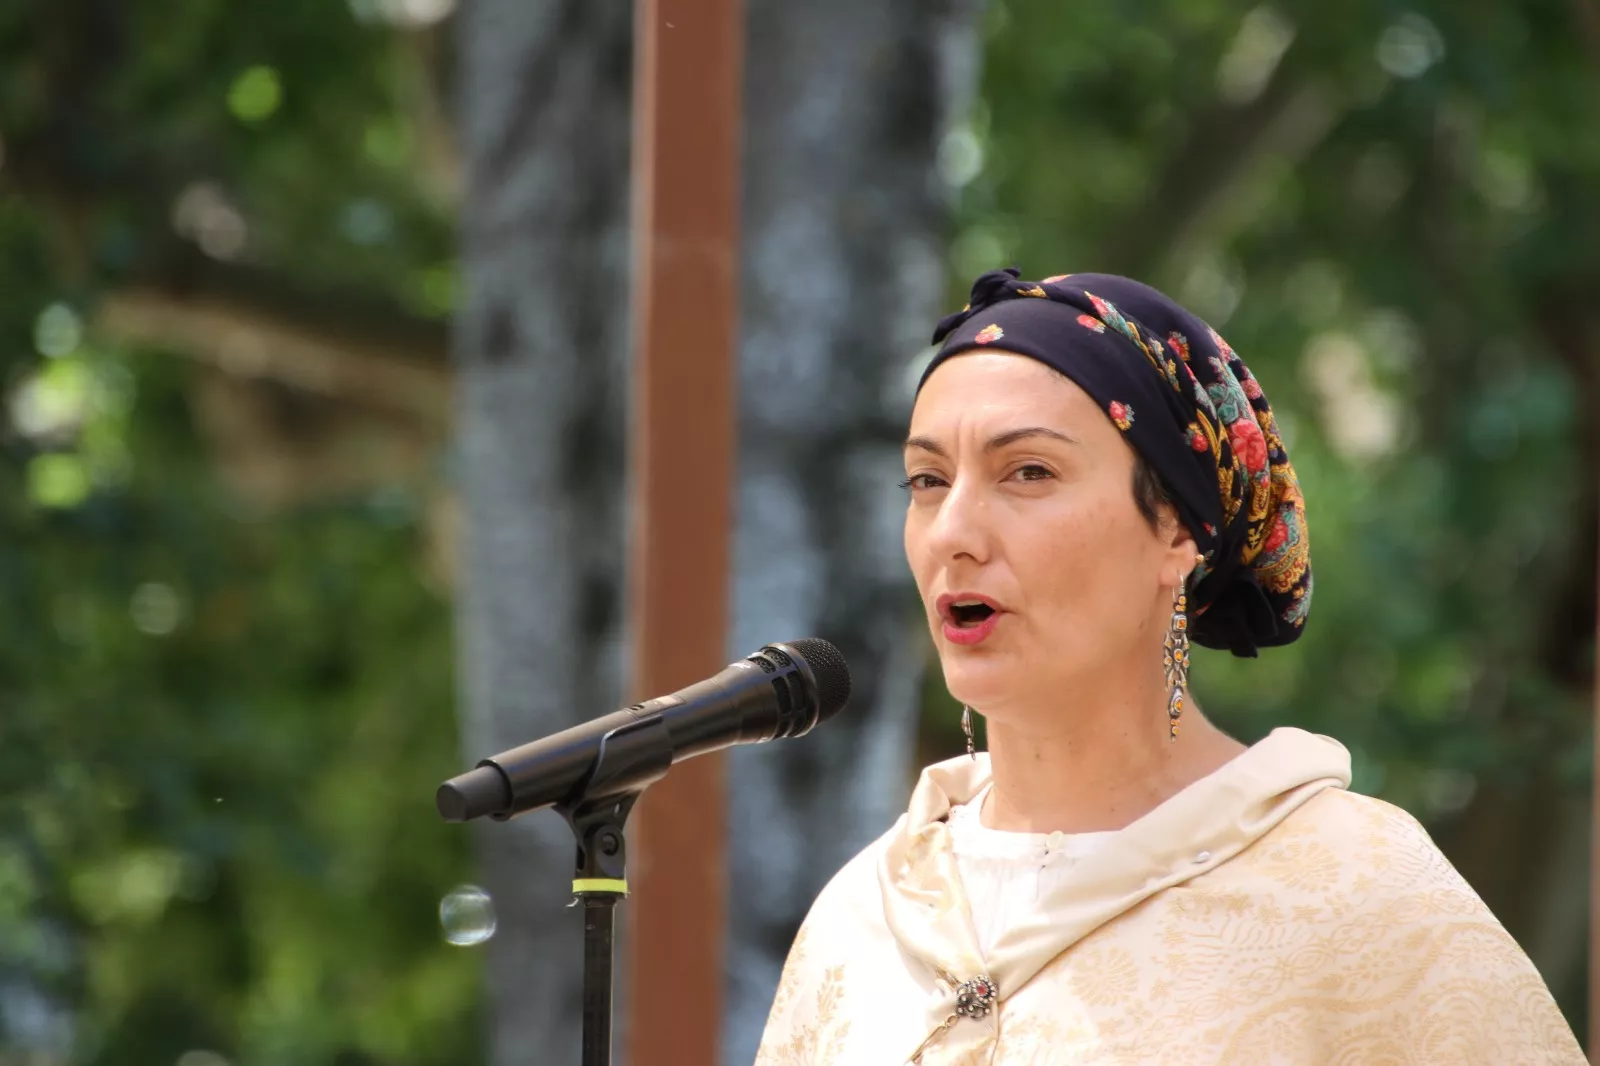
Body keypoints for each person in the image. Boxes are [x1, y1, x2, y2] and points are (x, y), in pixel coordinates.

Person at [753, 268, 1585, 1065]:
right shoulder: (864, 919)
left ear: (1179, 530)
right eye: (927, 479)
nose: (951, 532)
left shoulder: (1361, 899)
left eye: (1029, 472)